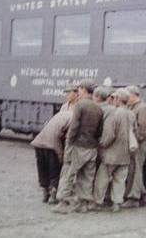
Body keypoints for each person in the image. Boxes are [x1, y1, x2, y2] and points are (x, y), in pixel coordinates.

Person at [53, 79, 103, 214]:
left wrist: (69, 142)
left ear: (83, 89)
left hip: (78, 145)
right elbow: (99, 131)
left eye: (79, 89)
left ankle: (63, 201)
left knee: (68, 172)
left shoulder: (80, 106)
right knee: (87, 176)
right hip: (92, 147)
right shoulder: (98, 108)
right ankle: (84, 204)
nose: (78, 92)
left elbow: (74, 127)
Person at [31, 84, 77, 204]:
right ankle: (49, 191)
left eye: (69, 92)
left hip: (61, 140)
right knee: (50, 166)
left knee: (54, 167)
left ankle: (53, 191)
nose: (67, 95)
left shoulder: (78, 108)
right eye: (66, 92)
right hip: (56, 139)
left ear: (76, 93)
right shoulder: (64, 107)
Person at [92, 89, 135, 212]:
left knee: (102, 178)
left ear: (118, 99)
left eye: (114, 98)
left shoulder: (114, 114)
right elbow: (134, 132)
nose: (112, 100)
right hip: (125, 154)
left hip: (111, 154)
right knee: (120, 180)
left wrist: (102, 144)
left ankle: (98, 202)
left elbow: (109, 135)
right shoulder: (131, 114)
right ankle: (117, 203)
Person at [123, 85, 146, 208]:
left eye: (127, 95)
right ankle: (144, 195)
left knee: (135, 170)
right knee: (133, 169)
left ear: (133, 95)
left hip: (139, 144)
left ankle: (134, 198)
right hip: (134, 143)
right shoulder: (132, 107)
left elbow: (142, 129)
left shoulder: (142, 108)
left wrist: (134, 141)